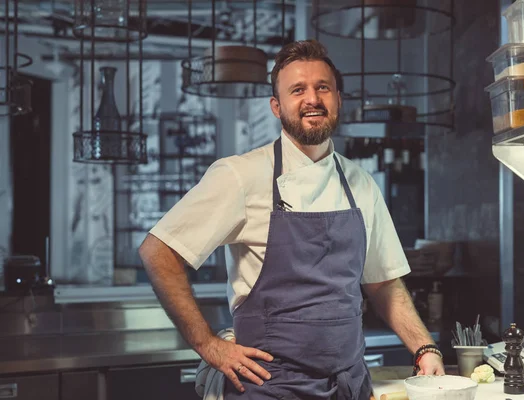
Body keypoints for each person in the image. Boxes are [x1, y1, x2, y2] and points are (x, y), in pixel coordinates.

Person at [139, 39, 444, 400]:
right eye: (297, 89)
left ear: (337, 99)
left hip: (349, 386)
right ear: (276, 106)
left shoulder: (360, 183)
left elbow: (382, 283)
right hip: (270, 388)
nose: (312, 99)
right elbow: (158, 251)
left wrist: (425, 348)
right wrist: (209, 345)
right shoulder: (241, 175)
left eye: (323, 88)